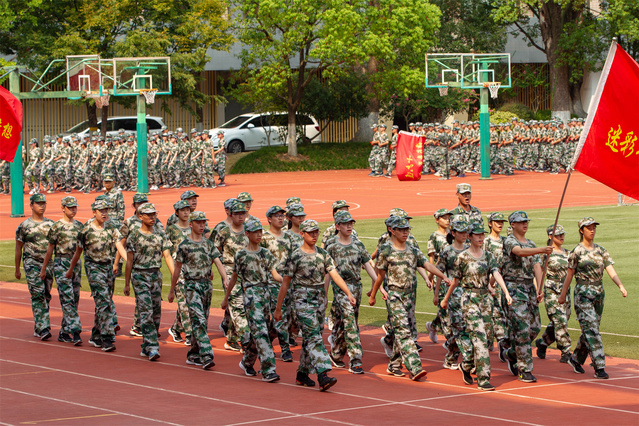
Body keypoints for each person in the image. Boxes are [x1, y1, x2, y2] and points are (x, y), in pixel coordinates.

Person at [275, 219, 357, 391]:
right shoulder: (295, 256)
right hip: (302, 300)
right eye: (310, 232)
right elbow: (285, 283)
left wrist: (348, 293)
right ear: (302, 234)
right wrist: (278, 308)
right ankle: (323, 373)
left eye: (316, 232)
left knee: (312, 336)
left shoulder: (323, 254)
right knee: (314, 336)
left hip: (319, 299)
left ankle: (302, 373)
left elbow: (334, 275)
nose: (314, 235)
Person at [369, 217, 451, 380]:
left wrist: (442, 276)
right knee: (404, 331)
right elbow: (380, 276)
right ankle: (415, 366)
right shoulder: (386, 250)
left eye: (407, 229)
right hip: (394, 295)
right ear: (392, 231)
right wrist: (373, 294)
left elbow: (426, 264)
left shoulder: (412, 249)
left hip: (410, 296)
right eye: (401, 230)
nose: (405, 232)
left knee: (404, 330)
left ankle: (394, 364)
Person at [441, 222, 512, 391]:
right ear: (470, 237)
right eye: (477, 235)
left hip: (485, 300)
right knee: (479, 337)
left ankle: (466, 365)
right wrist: (445, 298)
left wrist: (506, 292)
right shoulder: (462, 257)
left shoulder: (488, 255)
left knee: (486, 339)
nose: (481, 238)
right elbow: (456, 281)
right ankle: (483, 378)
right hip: (470, 299)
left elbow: (496, 273)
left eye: (482, 235)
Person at [559, 217, 628, 379]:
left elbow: (610, 269)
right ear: (581, 230)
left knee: (591, 327)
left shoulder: (601, 250)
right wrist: (563, 294)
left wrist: (620, 285)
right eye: (588, 228)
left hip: (598, 292)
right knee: (592, 330)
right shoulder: (577, 251)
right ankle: (599, 366)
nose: (592, 230)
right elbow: (569, 274)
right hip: (583, 293)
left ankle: (576, 359)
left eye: (594, 227)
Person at [222, 219, 283, 382]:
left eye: (260, 232)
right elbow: (234, 278)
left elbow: (275, 275)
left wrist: (286, 281)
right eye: (255, 232)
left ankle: (247, 361)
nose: (259, 235)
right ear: (247, 234)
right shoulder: (241, 255)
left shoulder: (265, 253)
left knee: (269, 330)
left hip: (265, 294)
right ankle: (268, 369)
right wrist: (226, 298)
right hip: (250, 295)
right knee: (261, 331)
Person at [67, 199, 128, 352]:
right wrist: (70, 269)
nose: (104, 213)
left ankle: (96, 335)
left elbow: (119, 246)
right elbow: (78, 252)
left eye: (106, 210)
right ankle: (107, 338)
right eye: (101, 211)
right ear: (94, 212)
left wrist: (129, 261)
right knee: (104, 300)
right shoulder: (86, 231)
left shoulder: (111, 228)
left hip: (108, 268)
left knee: (103, 302)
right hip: (93, 268)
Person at [170, 211, 227, 370]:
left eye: (204, 223)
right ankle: (207, 355)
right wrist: (172, 289)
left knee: (201, 322)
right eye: (199, 222)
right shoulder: (184, 245)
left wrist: (225, 278)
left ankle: (193, 354)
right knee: (199, 320)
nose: (202, 225)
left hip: (206, 286)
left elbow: (217, 261)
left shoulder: (208, 244)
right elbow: (177, 268)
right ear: (191, 224)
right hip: (191, 286)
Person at [500, 211, 552, 383]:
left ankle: (511, 353)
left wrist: (540, 287)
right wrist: (542, 249)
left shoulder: (531, 243)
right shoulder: (509, 241)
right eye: (521, 222)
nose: (525, 224)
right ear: (513, 224)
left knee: (534, 328)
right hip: (514, 287)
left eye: (526, 221)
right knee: (522, 328)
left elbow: (537, 266)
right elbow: (519, 252)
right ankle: (525, 369)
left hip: (529, 288)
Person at [325, 211, 377, 374]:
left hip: (357, 288)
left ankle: (336, 354)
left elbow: (367, 264)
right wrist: (324, 294)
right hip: (341, 289)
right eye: (345, 224)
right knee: (350, 322)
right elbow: (327, 271)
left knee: (344, 322)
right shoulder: (331, 245)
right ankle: (356, 359)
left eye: (351, 223)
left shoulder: (357, 244)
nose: (349, 226)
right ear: (337, 226)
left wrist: (379, 286)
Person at [124, 203, 175, 361]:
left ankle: (147, 346)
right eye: (149, 215)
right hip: (140, 275)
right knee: (146, 311)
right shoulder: (134, 236)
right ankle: (153, 346)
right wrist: (126, 283)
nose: (153, 217)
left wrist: (175, 277)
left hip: (155, 276)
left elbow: (167, 256)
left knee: (156, 312)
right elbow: (129, 261)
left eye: (154, 214)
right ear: (140, 217)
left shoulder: (160, 235)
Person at [40, 196, 83, 345]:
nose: (73, 210)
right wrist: (44, 268)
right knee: (67, 298)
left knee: (74, 298)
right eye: (70, 207)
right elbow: (50, 249)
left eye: (74, 207)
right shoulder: (56, 227)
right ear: (63, 208)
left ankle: (64, 332)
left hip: (76, 263)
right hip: (61, 263)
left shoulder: (80, 226)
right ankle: (75, 331)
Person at [15, 193, 55, 340]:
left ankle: (39, 325)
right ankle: (43, 328)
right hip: (31, 263)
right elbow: (18, 248)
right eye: (38, 203)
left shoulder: (51, 225)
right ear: (31, 205)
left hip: (48, 264)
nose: (42, 206)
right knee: (38, 294)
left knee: (46, 294)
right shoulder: (24, 226)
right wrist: (17, 268)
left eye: (43, 203)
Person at [259, 205, 295, 362]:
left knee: (288, 315)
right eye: (277, 216)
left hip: (287, 281)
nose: (281, 218)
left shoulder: (288, 238)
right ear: (269, 219)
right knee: (279, 315)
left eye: (282, 215)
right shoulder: (264, 239)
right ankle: (285, 348)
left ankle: (265, 342)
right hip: (271, 283)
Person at [434, 216, 469, 370]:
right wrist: (437, 294)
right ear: (453, 233)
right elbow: (439, 272)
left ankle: (454, 357)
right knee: (459, 328)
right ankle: (458, 358)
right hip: (452, 294)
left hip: (468, 294)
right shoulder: (447, 251)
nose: (464, 235)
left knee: (468, 328)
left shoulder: (470, 249)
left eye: (465, 232)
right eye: (460, 232)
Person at [214, 200, 250, 352]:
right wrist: (222, 275)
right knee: (237, 305)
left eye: (243, 213)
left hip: (246, 272)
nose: (241, 216)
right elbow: (214, 253)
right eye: (237, 214)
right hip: (229, 270)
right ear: (231, 214)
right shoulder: (224, 232)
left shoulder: (248, 231)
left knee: (245, 306)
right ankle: (247, 341)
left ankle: (231, 339)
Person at [536, 224, 572, 363]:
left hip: (565, 290)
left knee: (562, 319)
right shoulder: (546, 253)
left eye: (563, 234)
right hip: (552, 290)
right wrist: (538, 289)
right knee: (560, 320)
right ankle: (566, 351)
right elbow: (538, 272)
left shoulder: (568, 253)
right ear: (550, 236)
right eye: (558, 235)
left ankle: (543, 342)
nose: (561, 237)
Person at [166, 200, 194, 344]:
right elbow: (167, 252)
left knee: (190, 301)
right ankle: (189, 334)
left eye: (187, 210)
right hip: (179, 269)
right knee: (183, 302)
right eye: (182, 210)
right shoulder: (171, 230)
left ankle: (176, 328)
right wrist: (173, 273)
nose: (186, 212)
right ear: (176, 212)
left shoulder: (193, 228)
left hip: (193, 269)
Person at [483, 212, 508, 353]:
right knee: (488, 315)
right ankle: (488, 341)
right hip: (488, 283)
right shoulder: (486, 242)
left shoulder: (505, 241)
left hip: (502, 282)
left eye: (501, 222)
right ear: (490, 223)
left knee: (500, 314)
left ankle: (502, 344)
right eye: (497, 221)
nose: (500, 224)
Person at [425, 208, 451, 344]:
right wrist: (429, 278)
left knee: (451, 305)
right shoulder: (434, 237)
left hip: (452, 275)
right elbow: (431, 259)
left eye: (448, 218)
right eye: (444, 218)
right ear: (437, 220)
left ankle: (434, 325)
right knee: (444, 306)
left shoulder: (453, 234)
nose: (447, 220)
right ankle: (450, 341)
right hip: (439, 275)